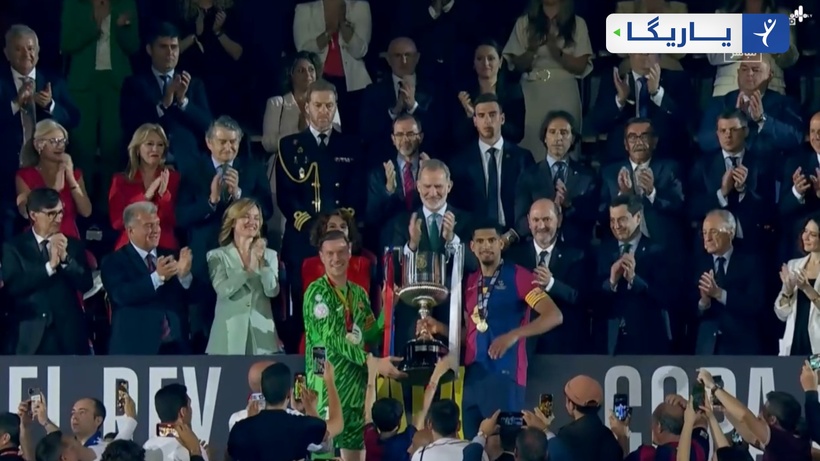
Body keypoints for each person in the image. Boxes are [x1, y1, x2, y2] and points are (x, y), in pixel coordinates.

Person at [424, 221, 562, 438]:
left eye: (491, 240)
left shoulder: (518, 276)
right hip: (473, 379)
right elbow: (472, 335)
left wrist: (513, 335)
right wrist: (439, 328)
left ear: (501, 244)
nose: (486, 246)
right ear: (472, 246)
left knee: (504, 447)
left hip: (505, 375)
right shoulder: (470, 282)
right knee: (473, 445)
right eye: (480, 241)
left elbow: (554, 315)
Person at [303, 230, 404, 461]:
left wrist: (388, 307)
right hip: (326, 383)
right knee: (324, 448)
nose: (335, 258)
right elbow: (332, 339)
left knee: (356, 453)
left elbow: (371, 334)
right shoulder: (316, 293)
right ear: (321, 256)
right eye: (329, 253)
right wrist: (371, 361)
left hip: (356, 387)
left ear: (349, 252)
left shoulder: (358, 293)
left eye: (341, 252)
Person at [1, 187, 93, 355]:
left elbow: (86, 284)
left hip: (68, 336)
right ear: (33, 215)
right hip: (29, 335)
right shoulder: (14, 248)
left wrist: (66, 260)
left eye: (60, 212)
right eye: (51, 214)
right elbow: (13, 287)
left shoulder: (73, 245)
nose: (58, 218)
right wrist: (49, 267)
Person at [102, 201, 193, 354]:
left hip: (175, 347)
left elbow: (192, 298)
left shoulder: (172, 256)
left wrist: (184, 276)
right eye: (149, 226)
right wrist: (157, 277)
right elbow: (120, 295)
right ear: (130, 230)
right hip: (135, 350)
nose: (156, 230)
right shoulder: (114, 261)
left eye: (157, 224)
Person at [206, 198, 283, 355]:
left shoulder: (270, 255)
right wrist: (249, 268)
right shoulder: (217, 256)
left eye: (256, 218)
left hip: (262, 340)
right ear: (233, 222)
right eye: (246, 216)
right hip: (227, 339)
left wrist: (262, 263)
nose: (252, 222)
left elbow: (272, 291)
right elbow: (223, 290)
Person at [228, 362, 343, 461]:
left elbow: (230, 454)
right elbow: (336, 426)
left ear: (262, 390)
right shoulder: (301, 425)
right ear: (289, 393)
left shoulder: (239, 428)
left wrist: (250, 423)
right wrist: (329, 382)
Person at [16, 119, 93, 240]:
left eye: (63, 141)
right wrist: (54, 190)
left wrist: (71, 178)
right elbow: (25, 213)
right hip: (39, 239)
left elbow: (86, 211)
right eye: (54, 141)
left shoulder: (75, 174)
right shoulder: (25, 175)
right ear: (38, 145)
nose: (60, 146)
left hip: (69, 239)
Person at [109, 123, 180, 251]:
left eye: (160, 145)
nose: (155, 149)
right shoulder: (120, 181)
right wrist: (146, 196)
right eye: (149, 144)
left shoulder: (174, 178)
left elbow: (174, 220)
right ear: (137, 148)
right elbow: (117, 222)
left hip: (163, 245)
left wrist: (163, 196)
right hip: (130, 246)